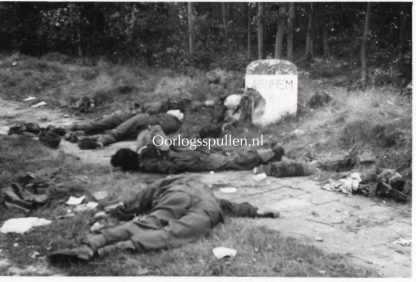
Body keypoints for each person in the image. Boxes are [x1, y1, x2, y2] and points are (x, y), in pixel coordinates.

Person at [48, 176, 280, 265]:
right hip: (206, 208)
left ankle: (91, 245)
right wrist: (257, 211)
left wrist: (121, 211)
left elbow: (147, 193)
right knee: (173, 234)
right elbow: (233, 206)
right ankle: (102, 251)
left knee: (149, 223)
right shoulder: (207, 192)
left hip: (184, 198)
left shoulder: (177, 181)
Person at [110, 144, 313, 178]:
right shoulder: (145, 151)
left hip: (192, 160)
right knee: (231, 158)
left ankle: (272, 152)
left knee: (235, 162)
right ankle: (270, 153)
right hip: (190, 152)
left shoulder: (145, 163)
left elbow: (171, 168)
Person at [70, 110, 184, 149]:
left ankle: (76, 132)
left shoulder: (167, 117)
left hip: (139, 120)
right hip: (143, 128)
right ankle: (90, 139)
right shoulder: (174, 125)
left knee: (113, 131)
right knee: (119, 134)